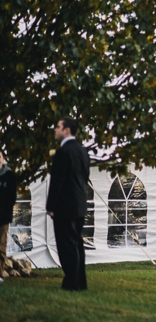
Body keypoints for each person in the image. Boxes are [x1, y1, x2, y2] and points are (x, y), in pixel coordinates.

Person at [47, 117, 90, 291]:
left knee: (66, 245)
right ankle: (80, 281)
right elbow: (85, 178)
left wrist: (51, 206)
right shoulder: (82, 151)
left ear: (66, 130)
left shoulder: (63, 153)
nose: (55, 130)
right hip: (80, 204)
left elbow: (57, 181)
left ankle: (72, 282)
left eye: (57, 127)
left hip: (65, 206)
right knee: (77, 243)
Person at [0, 150, 20, 263]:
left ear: (3, 158)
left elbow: (12, 197)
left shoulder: (9, 175)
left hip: (3, 216)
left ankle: (0, 273)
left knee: (1, 245)